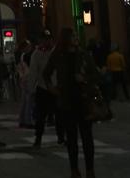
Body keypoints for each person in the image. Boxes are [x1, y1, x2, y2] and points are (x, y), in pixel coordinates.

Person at [44, 28, 100, 178]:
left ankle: (90, 169)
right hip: (67, 101)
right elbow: (46, 73)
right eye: (73, 36)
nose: (76, 38)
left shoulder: (83, 54)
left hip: (83, 101)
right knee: (72, 139)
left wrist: (84, 79)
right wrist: (52, 89)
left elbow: (95, 74)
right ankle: (74, 169)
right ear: (65, 38)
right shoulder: (58, 55)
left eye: (76, 36)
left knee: (87, 138)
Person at [29, 34, 63, 148]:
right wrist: (31, 88)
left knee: (59, 114)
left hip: (56, 87)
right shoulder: (37, 54)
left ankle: (61, 137)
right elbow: (33, 72)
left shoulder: (56, 53)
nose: (47, 42)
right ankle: (38, 138)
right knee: (41, 116)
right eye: (45, 40)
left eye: (49, 40)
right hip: (43, 88)